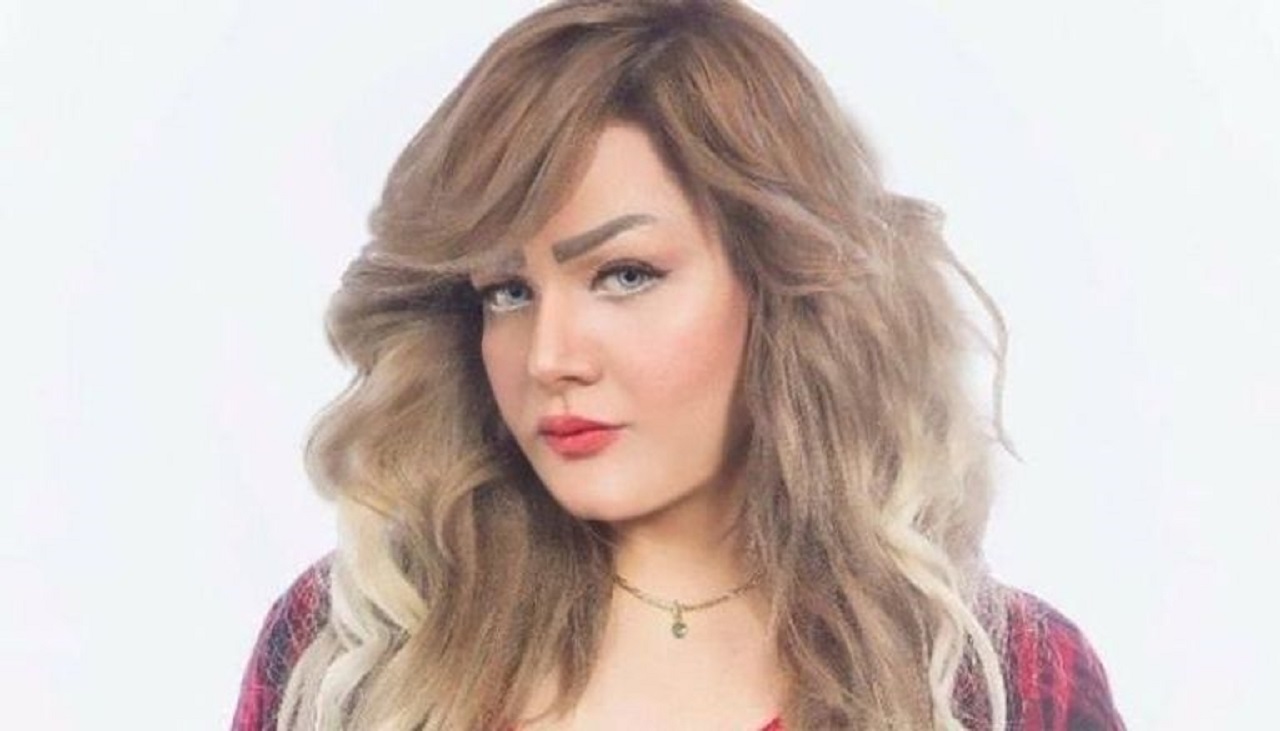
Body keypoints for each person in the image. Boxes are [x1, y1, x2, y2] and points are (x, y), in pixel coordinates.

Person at [233, 1, 1125, 729]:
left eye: (624, 275)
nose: (550, 357)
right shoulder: (358, 650)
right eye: (507, 291)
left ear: (779, 286)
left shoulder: (1002, 683)